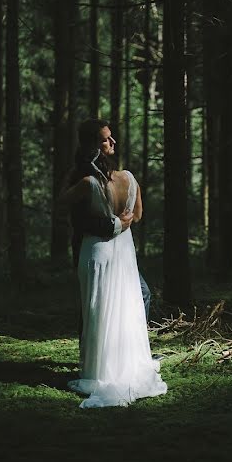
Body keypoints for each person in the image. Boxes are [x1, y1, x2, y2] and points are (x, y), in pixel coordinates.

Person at [59, 119, 167, 408]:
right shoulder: (122, 179)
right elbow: (136, 216)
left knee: (101, 305)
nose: (113, 143)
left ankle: (102, 367)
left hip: (102, 251)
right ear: (96, 147)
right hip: (115, 249)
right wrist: (118, 223)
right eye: (107, 140)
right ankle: (112, 362)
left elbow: (62, 200)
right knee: (112, 305)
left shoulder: (89, 182)